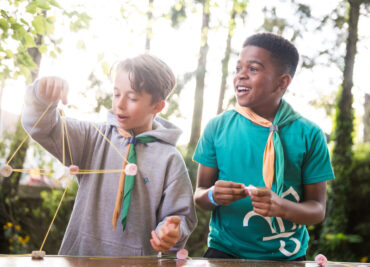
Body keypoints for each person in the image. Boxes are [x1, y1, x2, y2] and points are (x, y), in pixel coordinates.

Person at [21, 54, 197, 256]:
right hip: (80, 259)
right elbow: (42, 127)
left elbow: (181, 217)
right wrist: (40, 96)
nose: (120, 104)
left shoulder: (170, 159)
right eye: (116, 94)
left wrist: (172, 231)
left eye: (132, 98)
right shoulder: (92, 138)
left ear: (157, 106)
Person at [193, 32, 335, 260]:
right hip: (225, 252)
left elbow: (317, 210)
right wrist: (212, 195)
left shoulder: (310, 135)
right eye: (238, 68)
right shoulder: (217, 127)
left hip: (287, 256)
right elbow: (199, 196)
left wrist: (282, 207)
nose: (241, 76)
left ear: (282, 82)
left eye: (253, 69)